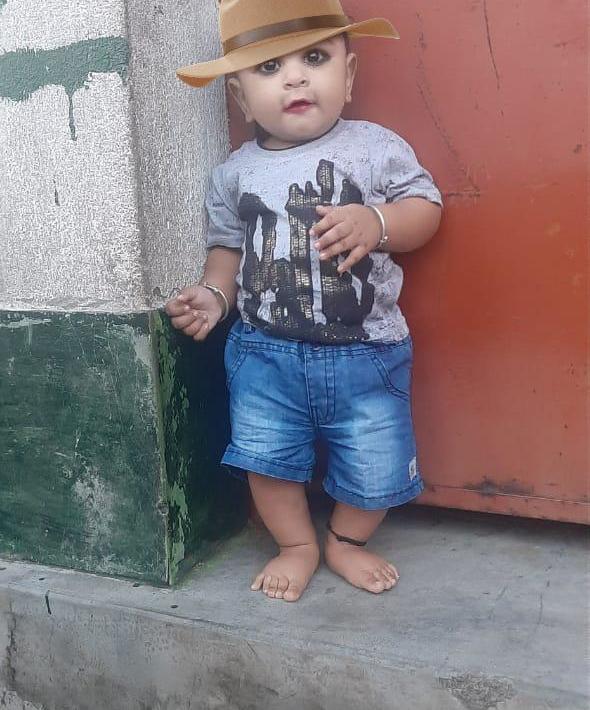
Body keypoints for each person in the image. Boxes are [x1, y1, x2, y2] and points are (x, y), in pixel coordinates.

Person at [166, 0, 442, 602]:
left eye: (314, 58)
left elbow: (427, 209)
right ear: (240, 98)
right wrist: (214, 295)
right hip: (265, 356)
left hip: (367, 353)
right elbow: (227, 249)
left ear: (348, 75)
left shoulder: (373, 147)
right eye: (269, 68)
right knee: (265, 459)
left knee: (376, 464)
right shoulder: (234, 174)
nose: (294, 78)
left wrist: (378, 221)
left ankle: (345, 539)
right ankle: (296, 544)